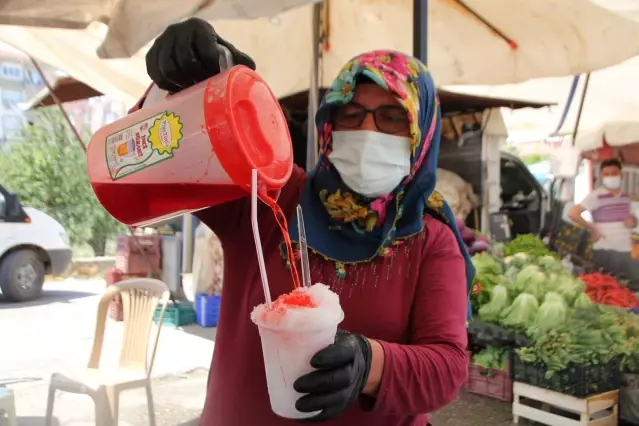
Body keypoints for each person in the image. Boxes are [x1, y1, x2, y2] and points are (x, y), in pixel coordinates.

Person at [139, 18, 473, 426]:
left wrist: (370, 365)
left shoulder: (429, 239)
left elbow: (448, 366)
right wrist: (182, 89)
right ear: (329, 124)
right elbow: (160, 167)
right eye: (351, 114)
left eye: (391, 117)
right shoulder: (270, 194)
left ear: (420, 134)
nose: (367, 130)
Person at [568, 159, 638, 285]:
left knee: (626, 286)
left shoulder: (626, 197)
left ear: (621, 175)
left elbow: (633, 222)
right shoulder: (596, 196)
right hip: (604, 250)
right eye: (607, 174)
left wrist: (632, 222)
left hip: (625, 250)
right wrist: (592, 228)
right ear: (602, 176)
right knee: (606, 285)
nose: (610, 177)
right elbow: (573, 213)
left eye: (614, 173)